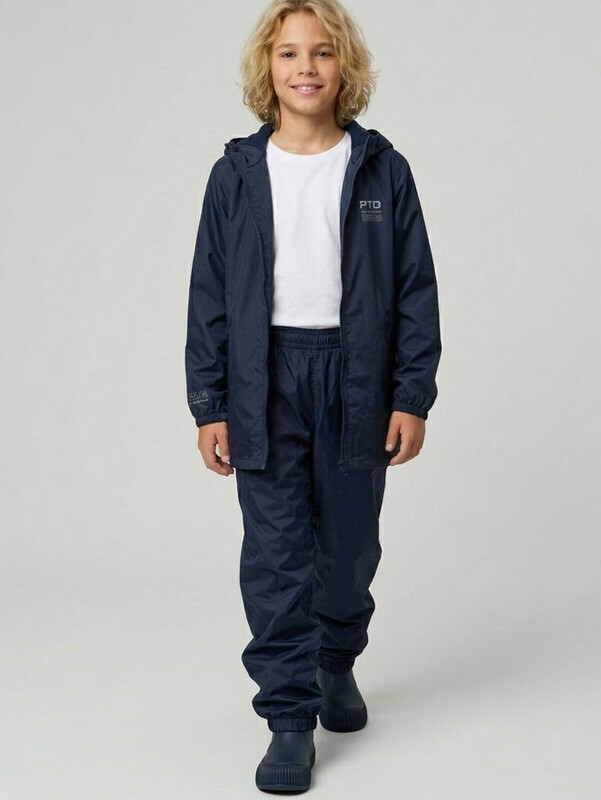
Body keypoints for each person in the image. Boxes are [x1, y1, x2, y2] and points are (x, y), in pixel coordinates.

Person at [185, 0, 442, 792]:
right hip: (264, 379)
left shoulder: (381, 170)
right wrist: (210, 403)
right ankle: (289, 718)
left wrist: (410, 394)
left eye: (322, 52)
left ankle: (336, 659)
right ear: (266, 69)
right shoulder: (235, 174)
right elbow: (208, 296)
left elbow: (414, 288)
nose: (306, 67)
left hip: (356, 377)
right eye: (289, 53)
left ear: (344, 67)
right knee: (275, 555)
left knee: (349, 546)